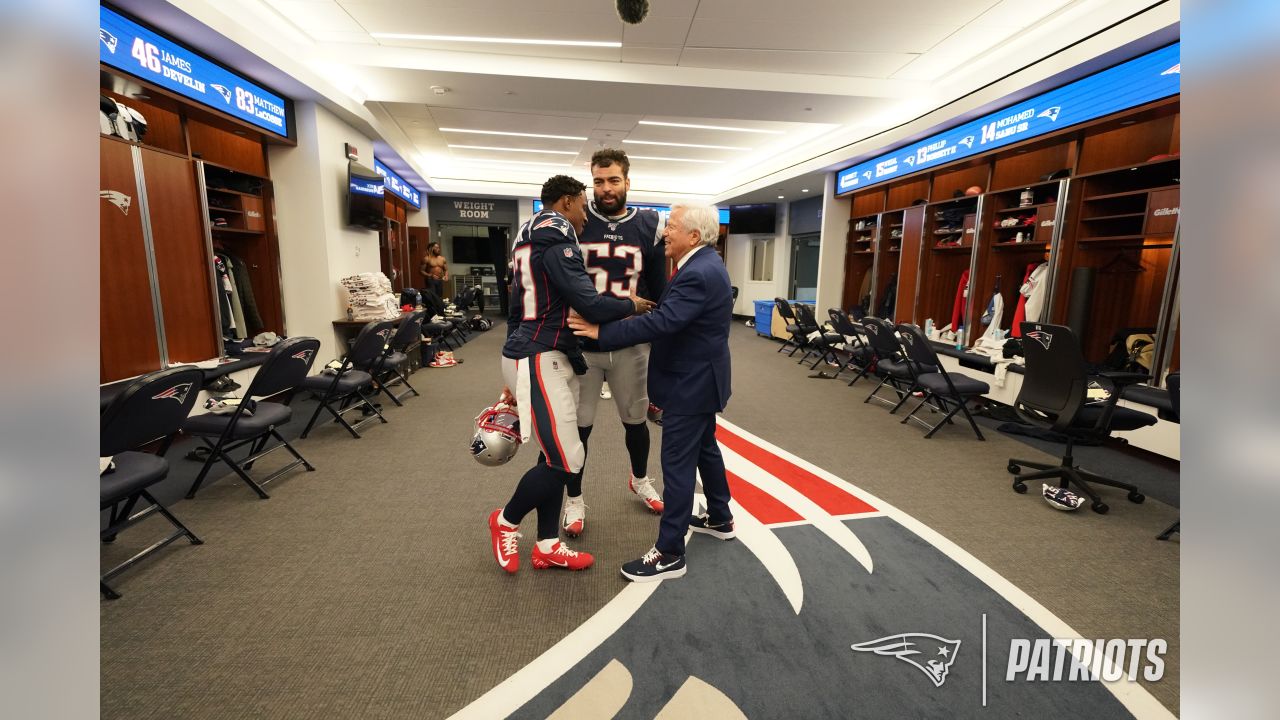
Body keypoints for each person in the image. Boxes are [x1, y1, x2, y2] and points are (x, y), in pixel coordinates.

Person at [488, 175, 654, 574]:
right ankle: (506, 520)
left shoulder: (525, 232)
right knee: (567, 458)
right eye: (582, 204)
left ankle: (547, 542)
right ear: (566, 202)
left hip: (536, 354)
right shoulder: (557, 230)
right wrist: (633, 305)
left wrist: (512, 367)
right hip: (540, 356)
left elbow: (515, 308)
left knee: (554, 454)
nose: (585, 214)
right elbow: (591, 304)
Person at [568, 202, 734, 582]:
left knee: (677, 465)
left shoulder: (698, 272)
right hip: (702, 378)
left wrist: (602, 333)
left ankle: (670, 552)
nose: (665, 232)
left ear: (693, 235)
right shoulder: (703, 264)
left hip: (689, 384)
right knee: (706, 449)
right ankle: (721, 517)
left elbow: (664, 321)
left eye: (672, 226)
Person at [561, 149, 669, 538]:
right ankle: (574, 498)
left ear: (628, 181)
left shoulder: (649, 224)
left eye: (614, 180)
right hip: (582, 342)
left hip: (631, 340)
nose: (606, 189)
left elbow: (659, 289)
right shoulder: (575, 222)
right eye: (599, 181)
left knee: (635, 420)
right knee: (580, 426)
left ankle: (639, 479)